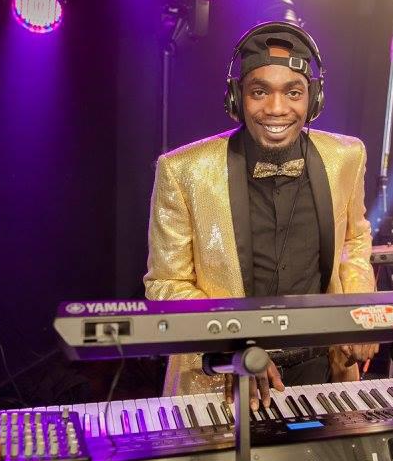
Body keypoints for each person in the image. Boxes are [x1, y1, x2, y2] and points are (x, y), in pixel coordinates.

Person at [143, 21, 378, 409]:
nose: (276, 109)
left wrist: (360, 311)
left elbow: (354, 241)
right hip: (223, 379)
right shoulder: (183, 171)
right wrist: (235, 343)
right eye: (259, 92)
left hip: (323, 371)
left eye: (293, 92)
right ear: (237, 98)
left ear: (314, 99)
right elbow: (166, 284)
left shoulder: (346, 157)